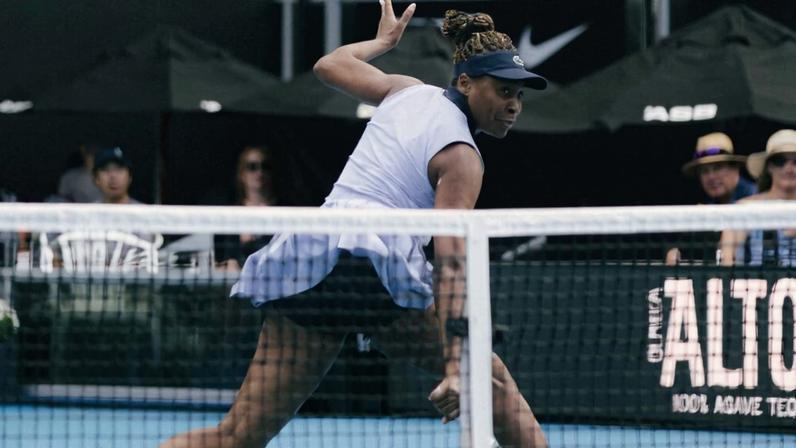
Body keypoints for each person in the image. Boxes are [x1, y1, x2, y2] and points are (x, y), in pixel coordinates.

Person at [161, 3, 547, 448]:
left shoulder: (406, 89)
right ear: (465, 82)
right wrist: (458, 367)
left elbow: (331, 65)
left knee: (238, 436)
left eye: (519, 95)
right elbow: (452, 265)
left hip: (313, 262)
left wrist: (381, 46)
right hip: (370, 270)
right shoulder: (462, 157)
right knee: (491, 378)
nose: (513, 106)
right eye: (503, 92)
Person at [665, 132, 756, 265]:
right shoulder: (708, 206)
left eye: (717, 168)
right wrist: (678, 252)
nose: (711, 177)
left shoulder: (755, 197)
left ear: (735, 168)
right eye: (705, 171)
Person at [720, 129, 796, 266]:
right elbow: (727, 260)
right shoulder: (744, 209)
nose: (789, 168)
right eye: (780, 161)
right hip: (755, 285)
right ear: (769, 167)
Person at [213, 146, 277, 271]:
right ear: (242, 174)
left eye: (265, 166)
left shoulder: (285, 209)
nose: (260, 172)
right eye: (252, 167)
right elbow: (224, 260)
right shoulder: (231, 214)